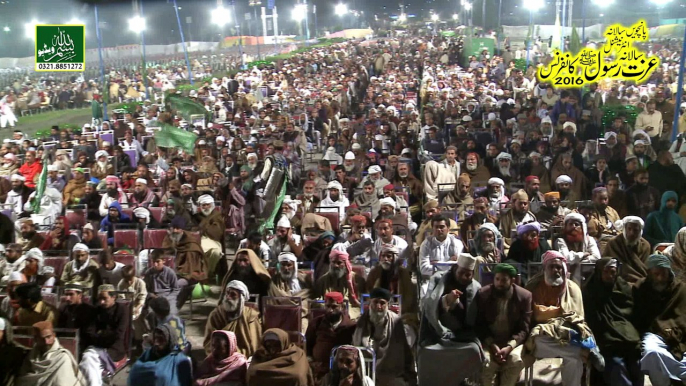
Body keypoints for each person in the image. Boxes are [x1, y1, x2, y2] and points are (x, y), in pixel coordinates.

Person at [524, 251, 598, 386]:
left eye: (558, 267)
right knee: (575, 352)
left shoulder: (573, 288)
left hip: (567, 335)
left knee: (574, 357)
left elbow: (578, 319)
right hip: (542, 339)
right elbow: (534, 315)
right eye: (551, 267)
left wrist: (551, 315)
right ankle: (587, 352)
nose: (555, 270)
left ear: (564, 270)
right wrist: (557, 314)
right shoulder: (533, 287)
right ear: (544, 269)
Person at [419, 253, 482, 384]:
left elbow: (473, 319)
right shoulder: (438, 280)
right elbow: (429, 307)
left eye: (468, 274)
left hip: (462, 337)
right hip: (436, 333)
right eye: (461, 273)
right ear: (454, 269)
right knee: (426, 352)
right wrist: (446, 300)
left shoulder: (475, 287)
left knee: (474, 351)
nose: (465, 277)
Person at [582, 258, 644, 386]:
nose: (610, 275)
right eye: (606, 272)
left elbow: (629, 312)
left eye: (613, 272)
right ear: (599, 272)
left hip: (626, 333)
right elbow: (591, 318)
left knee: (636, 363)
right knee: (616, 364)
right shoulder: (591, 290)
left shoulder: (622, 287)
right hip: (605, 335)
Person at [475, 264, 532, 386]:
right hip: (489, 342)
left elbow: (524, 329)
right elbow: (480, 325)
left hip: (512, 342)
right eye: (497, 279)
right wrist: (493, 345)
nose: (500, 283)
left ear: (512, 280)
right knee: (486, 363)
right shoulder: (483, 294)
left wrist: (509, 347)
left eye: (504, 280)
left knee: (515, 361)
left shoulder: (524, 296)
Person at [634, 254, 686, 386]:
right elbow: (639, 317)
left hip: (681, 335)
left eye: (663, 273)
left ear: (669, 272)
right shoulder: (640, 288)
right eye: (656, 273)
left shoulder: (681, 289)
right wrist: (661, 328)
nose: (660, 277)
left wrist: (674, 329)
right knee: (651, 353)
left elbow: (683, 315)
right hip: (654, 333)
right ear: (650, 273)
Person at [353, 287, 417, 386]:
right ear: (370, 303)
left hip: (390, 373)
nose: (378, 306)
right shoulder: (362, 321)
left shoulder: (396, 322)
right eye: (375, 302)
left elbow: (404, 350)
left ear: (388, 305)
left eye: (382, 303)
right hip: (365, 371)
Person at [79, 285, 129, 386]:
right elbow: (89, 332)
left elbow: (118, 335)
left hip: (114, 349)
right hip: (97, 346)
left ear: (113, 297)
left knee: (88, 359)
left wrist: (100, 334)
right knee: (89, 362)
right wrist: (104, 335)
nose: (101, 302)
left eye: (104, 298)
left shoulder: (122, 310)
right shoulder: (96, 310)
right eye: (100, 299)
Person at [15, 320, 85, 386]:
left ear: (54, 335)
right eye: (42, 339)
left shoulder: (62, 358)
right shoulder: (30, 358)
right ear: (36, 339)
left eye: (48, 337)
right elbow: (23, 380)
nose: (46, 342)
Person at [203, 280, 262, 357]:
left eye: (233, 295)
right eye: (227, 293)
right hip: (219, 355)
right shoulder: (216, 315)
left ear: (241, 299)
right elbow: (208, 342)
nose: (228, 297)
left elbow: (255, 344)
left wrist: (236, 356)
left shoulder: (250, 316)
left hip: (243, 356)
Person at [163, 219, 209, 310]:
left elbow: (191, 268)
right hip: (174, 271)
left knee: (176, 284)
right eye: (173, 228)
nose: (175, 231)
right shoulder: (170, 238)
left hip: (190, 274)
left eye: (178, 228)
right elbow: (164, 252)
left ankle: (172, 308)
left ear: (182, 230)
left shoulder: (191, 245)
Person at [127, 324, 192, 386]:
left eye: (161, 340)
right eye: (155, 338)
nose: (157, 343)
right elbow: (136, 371)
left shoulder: (180, 360)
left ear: (170, 340)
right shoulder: (150, 353)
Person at [247, 328, 315, 386]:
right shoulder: (260, 355)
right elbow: (252, 373)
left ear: (284, 343)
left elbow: (300, 376)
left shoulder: (297, 355)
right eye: (269, 345)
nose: (272, 349)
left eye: (276, 345)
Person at [315, 249, 365, 316]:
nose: (336, 265)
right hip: (329, 309)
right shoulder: (322, 280)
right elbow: (318, 298)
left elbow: (360, 301)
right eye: (333, 262)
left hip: (350, 308)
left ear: (345, 264)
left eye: (339, 263)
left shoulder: (357, 279)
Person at [603, 216, 650, 284]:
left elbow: (645, 269)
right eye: (629, 229)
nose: (631, 233)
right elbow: (608, 265)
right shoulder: (614, 243)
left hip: (641, 282)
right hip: (618, 280)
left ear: (640, 231)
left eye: (635, 230)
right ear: (624, 229)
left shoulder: (645, 245)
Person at [56, 283, 96, 353]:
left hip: (83, 346)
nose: (67, 298)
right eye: (66, 295)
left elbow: (89, 334)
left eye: (71, 295)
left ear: (80, 295)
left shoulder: (89, 310)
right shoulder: (62, 308)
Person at [193, 194, 226, 277]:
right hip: (198, 239)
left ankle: (207, 273)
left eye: (208, 205)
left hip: (213, 240)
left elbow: (216, 232)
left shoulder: (217, 216)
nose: (206, 207)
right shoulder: (196, 217)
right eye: (203, 205)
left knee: (216, 252)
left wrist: (203, 227)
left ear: (212, 205)